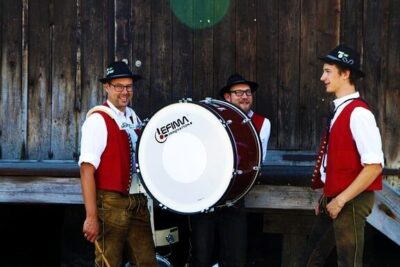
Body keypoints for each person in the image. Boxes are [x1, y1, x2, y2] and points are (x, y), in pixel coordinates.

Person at [307, 44, 384, 266]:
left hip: (350, 200)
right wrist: (327, 194)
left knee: (348, 262)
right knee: (313, 255)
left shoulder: (359, 113)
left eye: (328, 71)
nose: (323, 77)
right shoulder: (341, 108)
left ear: (345, 74)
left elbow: (374, 166)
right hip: (335, 197)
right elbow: (338, 159)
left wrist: (340, 200)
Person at [79, 61, 157, 266]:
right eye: (119, 86)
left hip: (137, 200)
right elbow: (87, 170)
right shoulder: (98, 120)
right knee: (109, 262)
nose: (125, 92)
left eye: (129, 86)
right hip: (111, 201)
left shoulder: (133, 117)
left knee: (146, 262)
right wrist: (91, 217)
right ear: (107, 87)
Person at [189, 74, 271, 267]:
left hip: (235, 196)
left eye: (248, 92)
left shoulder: (262, 123)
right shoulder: (211, 119)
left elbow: (258, 161)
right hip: (206, 195)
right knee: (201, 254)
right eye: (238, 93)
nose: (244, 97)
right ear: (227, 97)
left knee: (235, 256)